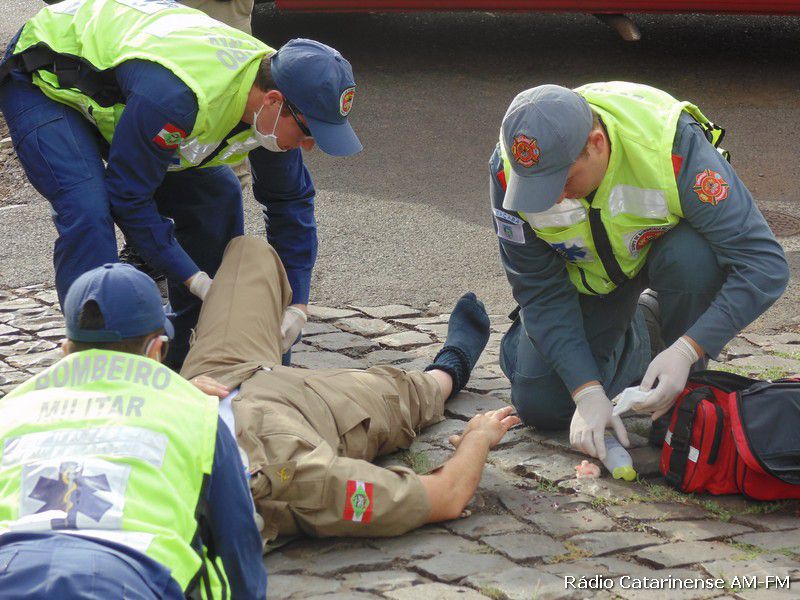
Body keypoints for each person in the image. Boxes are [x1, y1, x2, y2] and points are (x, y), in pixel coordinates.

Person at [0, 0, 361, 370]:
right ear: (273, 101)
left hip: (128, 95)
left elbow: (290, 202)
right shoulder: (179, 98)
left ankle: (186, 362)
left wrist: (296, 303)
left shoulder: (278, 98)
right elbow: (128, 196)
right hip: (46, 76)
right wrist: (194, 279)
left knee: (215, 196)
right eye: (308, 131)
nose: (308, 146)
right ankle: (100, 363)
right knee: (88, 210)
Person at [489, 82, 789, 461]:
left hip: (666, 258)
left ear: (597, 143)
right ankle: (641, 332)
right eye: (536, 187)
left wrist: (687, 349)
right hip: (589, 283)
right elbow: (538, 289)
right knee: (543, 405)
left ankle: (679, 377)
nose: (553, 198)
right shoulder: (510, 170)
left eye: (563, 181)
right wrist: (587, 391)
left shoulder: (671, 145)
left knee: (694, 257)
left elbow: (764, 265)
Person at [180, 236, 520, 540]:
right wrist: (478, 437)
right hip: (305, 407)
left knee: (249, 253)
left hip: (212, 378)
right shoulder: (296, 481)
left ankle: (274, 341)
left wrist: (169, 390)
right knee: (401, 393)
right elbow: (447, 494)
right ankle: (450, 367)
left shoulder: (155, 430)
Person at [0, 263, 266, 599]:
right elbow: (236, 546)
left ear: (66, 349)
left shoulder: (10, 409)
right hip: (126, 582)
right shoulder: (195, 413)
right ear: (156, 349)